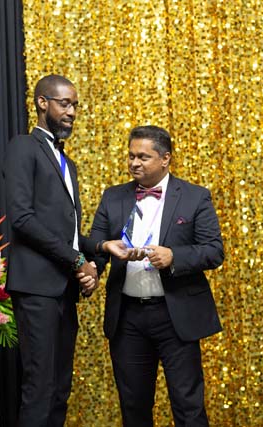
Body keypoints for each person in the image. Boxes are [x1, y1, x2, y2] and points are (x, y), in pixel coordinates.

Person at [87, 125, 224, 426]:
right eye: (131, 156)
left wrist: (175, 256)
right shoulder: (112, 197)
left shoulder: (195, 197)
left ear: (165, 159)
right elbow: (95, 242)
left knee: (188, 408)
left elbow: (214, 251)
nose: (134, 163)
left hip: (175, 316)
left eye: (143, 157)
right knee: (133, 408)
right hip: (128, 318)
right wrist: (98, 258)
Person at [3, 74, 99, 427]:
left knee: (60, 388)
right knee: (40, 387)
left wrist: (97, 249)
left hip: (64, 289)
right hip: (36, 288)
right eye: (64, 103)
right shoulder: (23, 147)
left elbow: (67, 233)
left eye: (75, 105)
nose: (71, 111)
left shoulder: (66, 163)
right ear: (42, 103)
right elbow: (22, 219)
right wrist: (77, 260)